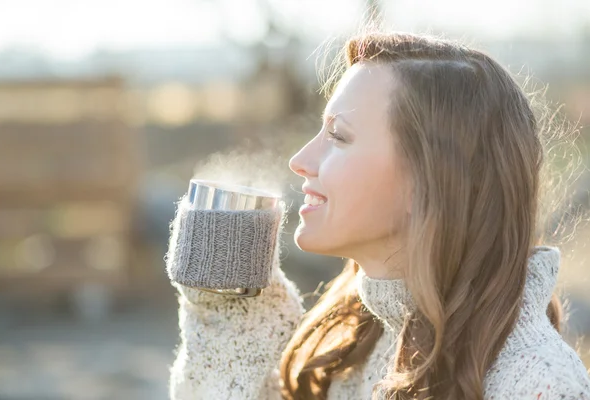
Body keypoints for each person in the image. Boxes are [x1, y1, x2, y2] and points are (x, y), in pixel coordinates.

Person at [165, 32, 590, 399]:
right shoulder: (352, 345)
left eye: (337, 136)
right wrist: (232, 320)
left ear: (428, 181)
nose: (300, 159)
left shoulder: (537, 383)